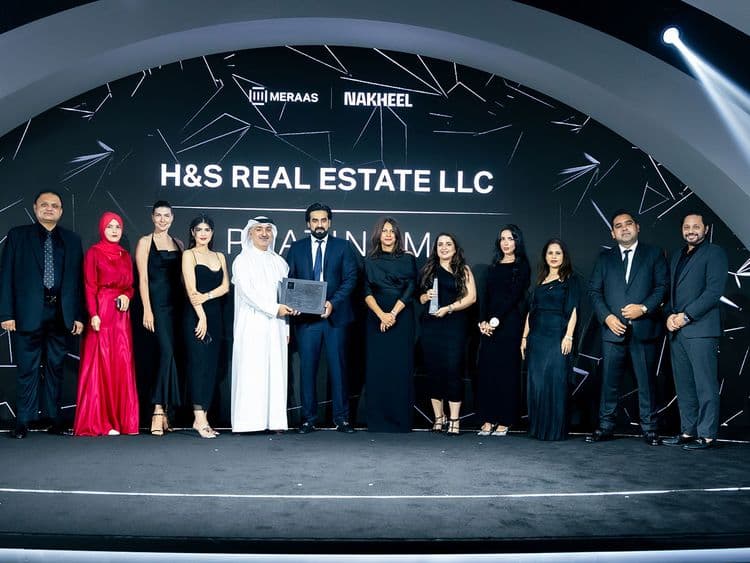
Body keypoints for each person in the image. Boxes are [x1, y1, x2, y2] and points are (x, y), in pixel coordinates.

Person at [0, 190, 84, 438]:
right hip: (27, 314)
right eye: (44, 205)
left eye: (54, 205)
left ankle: (54, 419)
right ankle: (23, 421)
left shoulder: (72, 240)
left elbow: (78, 282)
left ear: (61, 211)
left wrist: (78, 315)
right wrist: (6, 313)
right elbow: (6, 276)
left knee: (56, 367)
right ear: (35, 208)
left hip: (60, 314)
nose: (49, 208)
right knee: (27, 368)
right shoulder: (18, 236)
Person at [586, 210, 668, 446]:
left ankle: (650, 428)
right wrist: (607, 318)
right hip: (613, 331)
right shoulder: (605, 258)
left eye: (628, 223)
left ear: (637, 227)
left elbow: (662, 287)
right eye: (618, 225)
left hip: (644, 329)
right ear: (613, 233)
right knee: (609, 383)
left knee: (646, 383)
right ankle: (605, 426)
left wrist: (643, 308)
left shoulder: (654, 254)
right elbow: (594, 291)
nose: (624, 228)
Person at [286, 203, 358, 433]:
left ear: (330, 222)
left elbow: (350, 279)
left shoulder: (343, 247)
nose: (319, 224)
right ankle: (308, 419)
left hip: (335, 318)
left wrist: (332, 303)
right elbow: (290, 280)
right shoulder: (296, 248)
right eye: (315, 220)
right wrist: (295, 303)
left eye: (323, 220)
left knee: (339, 370)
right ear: (308, 223)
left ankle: (342, 418)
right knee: (307, 371)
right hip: (306, 320)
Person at [663, 212, 728, 450]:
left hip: (701, 329)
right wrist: (669, 316)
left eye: (696, 226)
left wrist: (686, 316)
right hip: (677, 331)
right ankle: (688, 432)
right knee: (684, 386)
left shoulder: (715, 253)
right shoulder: (677, 255)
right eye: (687, 227)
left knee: (705, 384)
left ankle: (707, 435)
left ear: (706, 229)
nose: (691, 230)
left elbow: (713, 292)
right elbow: (671, 292)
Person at [74, 212, 139, 436]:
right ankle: (102, 422)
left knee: (121, 362)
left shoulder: (125, 255)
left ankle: (123, 421)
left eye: (117, 226)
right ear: (102, 228)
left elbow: (130, 287)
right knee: (100, 363)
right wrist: (93, 314)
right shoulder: (94, 252)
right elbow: (89, 285)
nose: (114, 230)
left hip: (121, 317)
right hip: (101, 313)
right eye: (109, 226)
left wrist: (127, 296)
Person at [231, 216, 298, 433]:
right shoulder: (242, 260)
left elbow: (286, 296)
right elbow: (248, 293)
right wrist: (274, 308)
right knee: (252, 371)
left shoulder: (279, 262)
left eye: (268, 229)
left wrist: (286, 324)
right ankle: (248, 423)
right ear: (250, 233)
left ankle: (275, 422)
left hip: (277, 325)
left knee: (275, 372)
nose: (264, 233)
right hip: (251, 324)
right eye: (259, 229)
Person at [521, 239, 580, 441]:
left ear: (564, 257)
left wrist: (569, 335)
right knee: (537, 383)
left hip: (557, 335)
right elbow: (531, 311)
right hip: (536, 337)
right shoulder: (540, 280)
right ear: (545, 256)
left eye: (558, 253)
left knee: (555, 382)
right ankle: (538, 429)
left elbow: (574, 310)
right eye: (550, 253)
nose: (554, 256)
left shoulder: (570, 280)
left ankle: (554, 430)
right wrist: (524, 337)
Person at [417, 233, 476, 436]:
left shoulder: (463, 270)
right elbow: (418, 298)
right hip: (431, 326)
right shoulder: (427, 269)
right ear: (435, 249)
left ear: (455, 248)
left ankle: (454, 419)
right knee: (433, 371)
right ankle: (438, 418)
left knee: (453, 371)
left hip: (454, 326)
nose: (444, 247)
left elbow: (471, 297)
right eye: (440, 244)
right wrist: (425, 296)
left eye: (448, 244)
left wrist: (449, 308)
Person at [363, 217, 418, 432]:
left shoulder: (407, 258)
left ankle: (399, 421)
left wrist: (393, 314)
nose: (388, 235)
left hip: (401, 318)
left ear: (397, 235)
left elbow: (411, 287)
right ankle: (378, 421)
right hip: (376, 318)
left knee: (400, 368)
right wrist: (381, 315)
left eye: (391, 231)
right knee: (378, 368)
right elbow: (365, 291)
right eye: (384, 231)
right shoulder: (369, 260)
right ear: (378, 234)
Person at [134, 200, 184, 436]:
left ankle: (165, 412)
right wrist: (147, 309)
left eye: (167, 215)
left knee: (173, 356)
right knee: (166, 354)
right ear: (152, 218)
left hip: (177, 308)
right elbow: (142, 279)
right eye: (158, 215)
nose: (162, 219)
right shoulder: (145, 242)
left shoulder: (179, 244)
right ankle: (157, 410)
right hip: (156, 307)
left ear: (172, 218)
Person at [476, 225, 531, 437]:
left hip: (509, 325)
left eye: (510, 238)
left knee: (507, 372)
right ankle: (488, 418)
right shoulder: (493, 267)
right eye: (502, 239)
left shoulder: (522, 266)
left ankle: (505, 419)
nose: (506, 243)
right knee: (488, 372)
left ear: (517, 241)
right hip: (489, 327)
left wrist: (495, 320)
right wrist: (482, 321)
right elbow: (485, 296)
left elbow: (514, 297)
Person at [182, 215, 229, 438]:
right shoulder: (188, 255)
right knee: (198, 365)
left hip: (215, 316)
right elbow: (191, 290)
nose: (203, 233)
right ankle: (199, 418)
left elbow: (225, 287)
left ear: (212, 233)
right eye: (199, 229)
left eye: (207, 230)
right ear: (193, 232)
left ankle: (204, 417)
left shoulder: (219, 256)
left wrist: (208, 296)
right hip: (195, 316)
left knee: (212, 367)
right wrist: (201, 316)